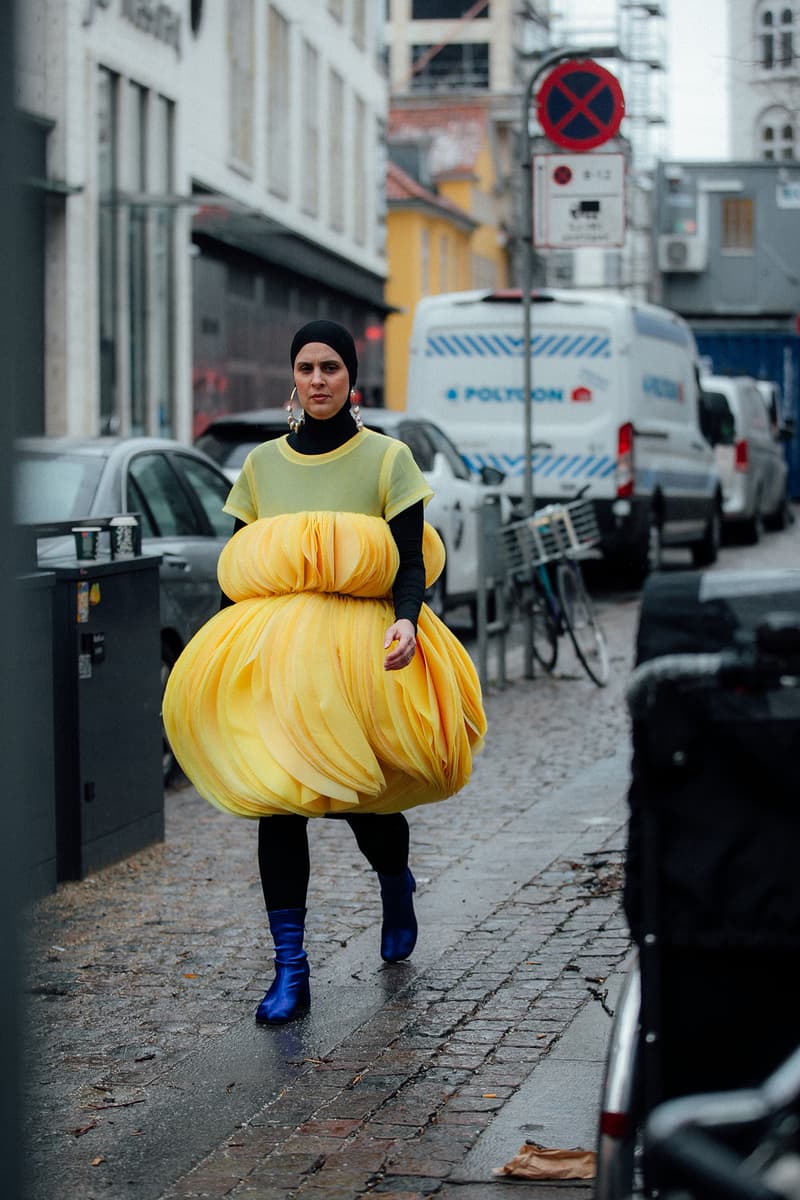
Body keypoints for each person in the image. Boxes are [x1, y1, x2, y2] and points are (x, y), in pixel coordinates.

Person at [163, 320, 486, 1025]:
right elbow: (243, 570)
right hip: (279, 662)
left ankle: (395, 887)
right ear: (293, 377)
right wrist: (219, 651)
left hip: (364, 652)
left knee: (367, 803)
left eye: (331, 367)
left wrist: (407, 618)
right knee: (278, 805)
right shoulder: (260, 466)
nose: (317, 379)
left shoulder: (387, 459)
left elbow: (406, 559)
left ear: (351, 378)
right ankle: (291, 969)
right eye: (306, 367)